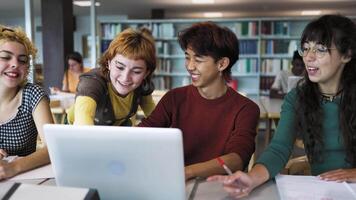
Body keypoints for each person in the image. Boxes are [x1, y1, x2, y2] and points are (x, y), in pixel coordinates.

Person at [208, 14, 356, 199]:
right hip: (324, 191)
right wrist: (251, 179)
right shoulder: (298, 98)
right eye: (305, 49)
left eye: (320, 49)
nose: (308, 57)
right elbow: (279, 148)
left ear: (347, 54)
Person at [139, 22, 260, 180]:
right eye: (187, 58)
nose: (189, 66)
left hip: (218, 187)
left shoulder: (246, 109)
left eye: (198, 59)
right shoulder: (174, 98)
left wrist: (185, 172)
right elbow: (142, 134)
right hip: (173, 184)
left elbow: (236, 159)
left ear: (222, 64)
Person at [66, 27, 156, 126]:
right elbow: (83, 122)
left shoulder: (143, 85)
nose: (125, 78)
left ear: (146, 73)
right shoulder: (93, 82)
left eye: (136, 71)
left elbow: (155, 117)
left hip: (116, 128)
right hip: (76, 130)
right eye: (120, 67)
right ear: (108, 63)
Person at [0, 25, 54, 180]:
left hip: (25, 179)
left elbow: (53, 148)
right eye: (5, 57)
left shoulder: (32, 94)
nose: (15, 64)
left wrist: (13, 167)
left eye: (22, 60)